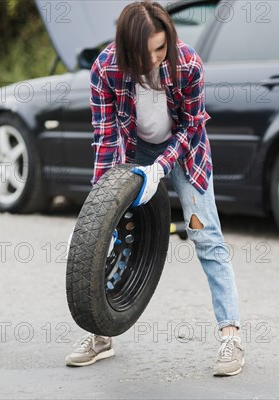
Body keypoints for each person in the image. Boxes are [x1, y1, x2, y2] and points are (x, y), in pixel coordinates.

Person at [65, 1, 243, 376]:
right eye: (144, 54)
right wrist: (100, 209)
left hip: (184, 152)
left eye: (161, 49)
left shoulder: (187, 64)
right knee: (107, 240)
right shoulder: (105, 68)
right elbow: (105, 137)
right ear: (127, 49)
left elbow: (192, 125)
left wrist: (161, 168)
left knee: (205, 236)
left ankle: (231, 337)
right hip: (132, 150)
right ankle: (100, 335)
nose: (154, 60)